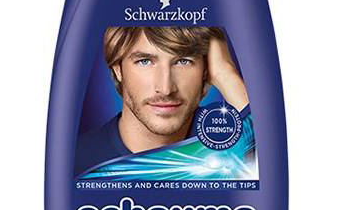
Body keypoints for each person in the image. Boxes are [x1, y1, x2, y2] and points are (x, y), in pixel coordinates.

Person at [75, 25, 249, 177]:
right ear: (117, 69)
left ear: (206, 70)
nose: (166, 89)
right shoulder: (75, 161)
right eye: (145, 61)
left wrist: (226, 75)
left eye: (183, 61)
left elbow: (265, 171)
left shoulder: (233, 145)